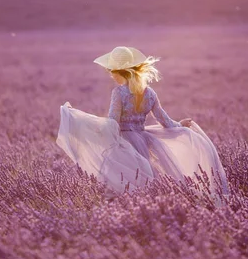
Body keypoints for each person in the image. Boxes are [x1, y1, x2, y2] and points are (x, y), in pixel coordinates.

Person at [56, 46, 228, 200]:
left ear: (119, 71)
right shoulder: (149, 93)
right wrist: (180, 125)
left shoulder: (119, 93)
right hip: (143, 141)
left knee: (121, 184)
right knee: (144, 182)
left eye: (111, 71)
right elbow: (165, 121)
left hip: (125, 143)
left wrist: (86, 125)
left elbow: (113, 123)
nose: (110, 75)